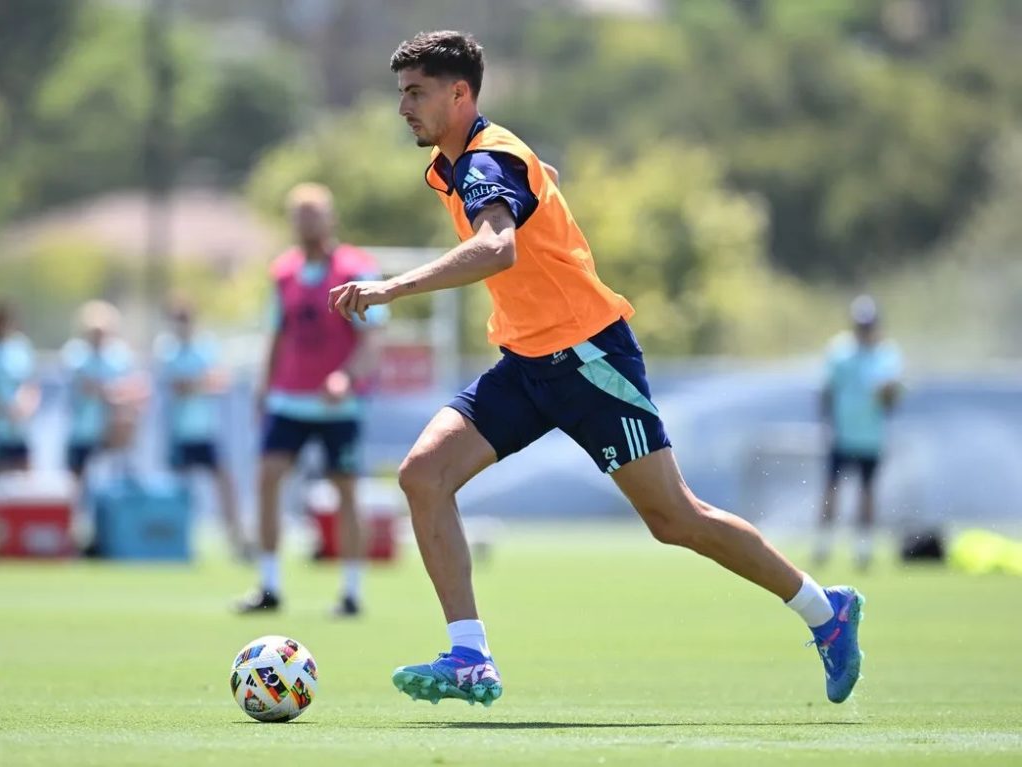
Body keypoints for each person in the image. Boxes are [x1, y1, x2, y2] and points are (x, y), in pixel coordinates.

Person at [327, 31, 865, 708]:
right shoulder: (460, 160)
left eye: (417, 92)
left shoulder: (484, 162)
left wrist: (390, 289)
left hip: (589, 361)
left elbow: (496, 249)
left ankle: (826, 611)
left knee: (675, 518)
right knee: (422, 474)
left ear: (461, 94)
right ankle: (470, 656)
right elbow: (532, 181)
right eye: (401, 92)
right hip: (526, 363)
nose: (403, 106)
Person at [236, 183, 387, 617]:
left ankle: (352, 592)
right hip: (289, 400)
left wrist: (346, 377)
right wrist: (263, 388)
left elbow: (373, 338)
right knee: (267, 477)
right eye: (298, 215)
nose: (306, 222)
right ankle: (268, 586)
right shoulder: (282, 272)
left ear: (331, 218)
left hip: (339, 405)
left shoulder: (357, 269)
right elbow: (276, 334)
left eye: (314, 213)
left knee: (346, 491)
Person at [155, 298, 247, 558]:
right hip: (179, 432)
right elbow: (179, 386)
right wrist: (199, 382)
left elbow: (218, 380)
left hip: (206, 430)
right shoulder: (167, 350)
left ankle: (235, 540)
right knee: (179, 490)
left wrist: (196, 383)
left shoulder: (205, 347)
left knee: (225, 483)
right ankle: (177, 542)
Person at [817, 295, 902, 570]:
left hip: (870, 436)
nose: (864, 330)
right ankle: (823, 543)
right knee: (831, 489)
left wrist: (888, 393)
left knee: (867, 492)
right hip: (842, 434)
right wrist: (826, 424)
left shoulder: (886, 354)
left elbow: (891, 400)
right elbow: (828, 391)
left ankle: (862, 547)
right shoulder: (840, 351)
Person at [61, 301, 147, 479]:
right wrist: (109, 391)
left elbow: (130, 389)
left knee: (114, 481)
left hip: (112, 432)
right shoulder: (75, 355)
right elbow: (86, 387)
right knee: (77, 480)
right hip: (82, 431)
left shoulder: (120, 356)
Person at [0, 301, 40, 473]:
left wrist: (25, 407)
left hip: (18, 431)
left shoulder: (21, 347)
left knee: (22, 485)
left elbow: (31, 383)